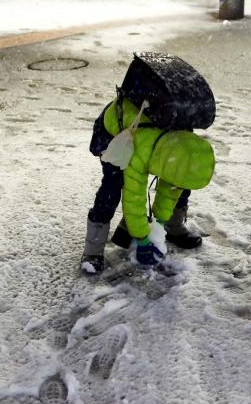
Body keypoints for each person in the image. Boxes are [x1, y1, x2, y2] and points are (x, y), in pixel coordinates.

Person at [81, 97, 214, 273]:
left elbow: (171, 188)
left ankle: (171, 226)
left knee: (182, 180)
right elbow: (133, 197)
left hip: (158, 135)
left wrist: (159, 224)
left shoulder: (184, 148)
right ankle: (93, 250)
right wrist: (143, 239)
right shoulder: (140, 151)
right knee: (112, 186)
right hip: (118, 134)